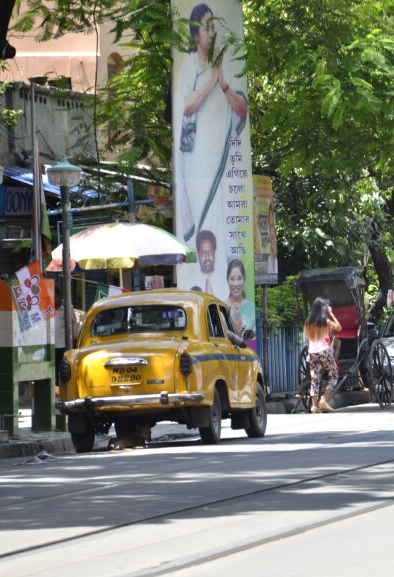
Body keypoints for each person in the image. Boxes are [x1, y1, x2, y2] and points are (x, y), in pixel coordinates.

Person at [176, 2, 249, 243]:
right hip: (195, 166)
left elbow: (242, 108)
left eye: (213, 27)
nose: (212, 32)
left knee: (221, 229)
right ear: (196, 35)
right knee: (204, 227)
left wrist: (224, 85)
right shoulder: (189, 66)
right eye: (207, 28)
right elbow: (185, 107)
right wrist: (211, 83)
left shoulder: (224, 63)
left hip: (222, 163)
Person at [303, 298, 342, 414]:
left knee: (315, 379)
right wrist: (331, 313)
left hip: (312, 352)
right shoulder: (325, 321)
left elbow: (308, 338)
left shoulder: (307, 322)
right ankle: (324, 399)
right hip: (324, 351)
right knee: (334, 374)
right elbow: (339, 328)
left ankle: (314, 406)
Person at [225, 258, 255, 336]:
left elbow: (252, 337)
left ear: (244, 279)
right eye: (232, 279)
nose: (236, 284)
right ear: (227, 280)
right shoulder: (221, 307)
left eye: (239, 278)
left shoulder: (251, 308)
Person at [196, 230, 218, 296]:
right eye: (203, 252)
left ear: (214, 252)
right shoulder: (190, 283)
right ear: (198, 254)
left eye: (210, 251)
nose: (207, 256)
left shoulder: (226, 281)